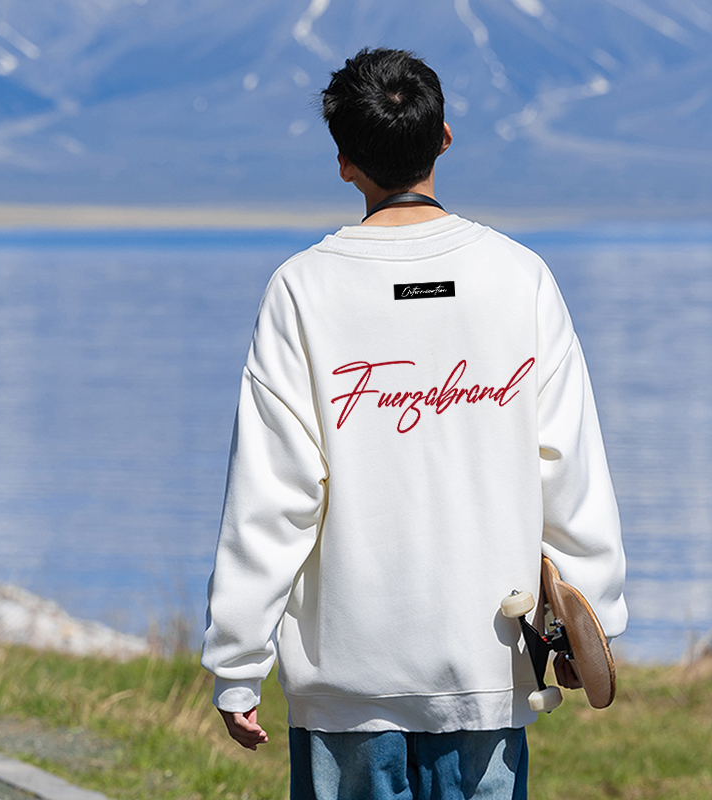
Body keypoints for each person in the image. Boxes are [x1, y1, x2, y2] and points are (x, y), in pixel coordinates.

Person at [201, 47, 627, 799]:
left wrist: (238, 663)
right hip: (490, 666)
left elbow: (273, 498)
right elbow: (569, 469)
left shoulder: (303, 290)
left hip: (346, 683)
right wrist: (592, 624)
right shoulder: (519, 277)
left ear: (343, 162)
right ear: (445, 138)